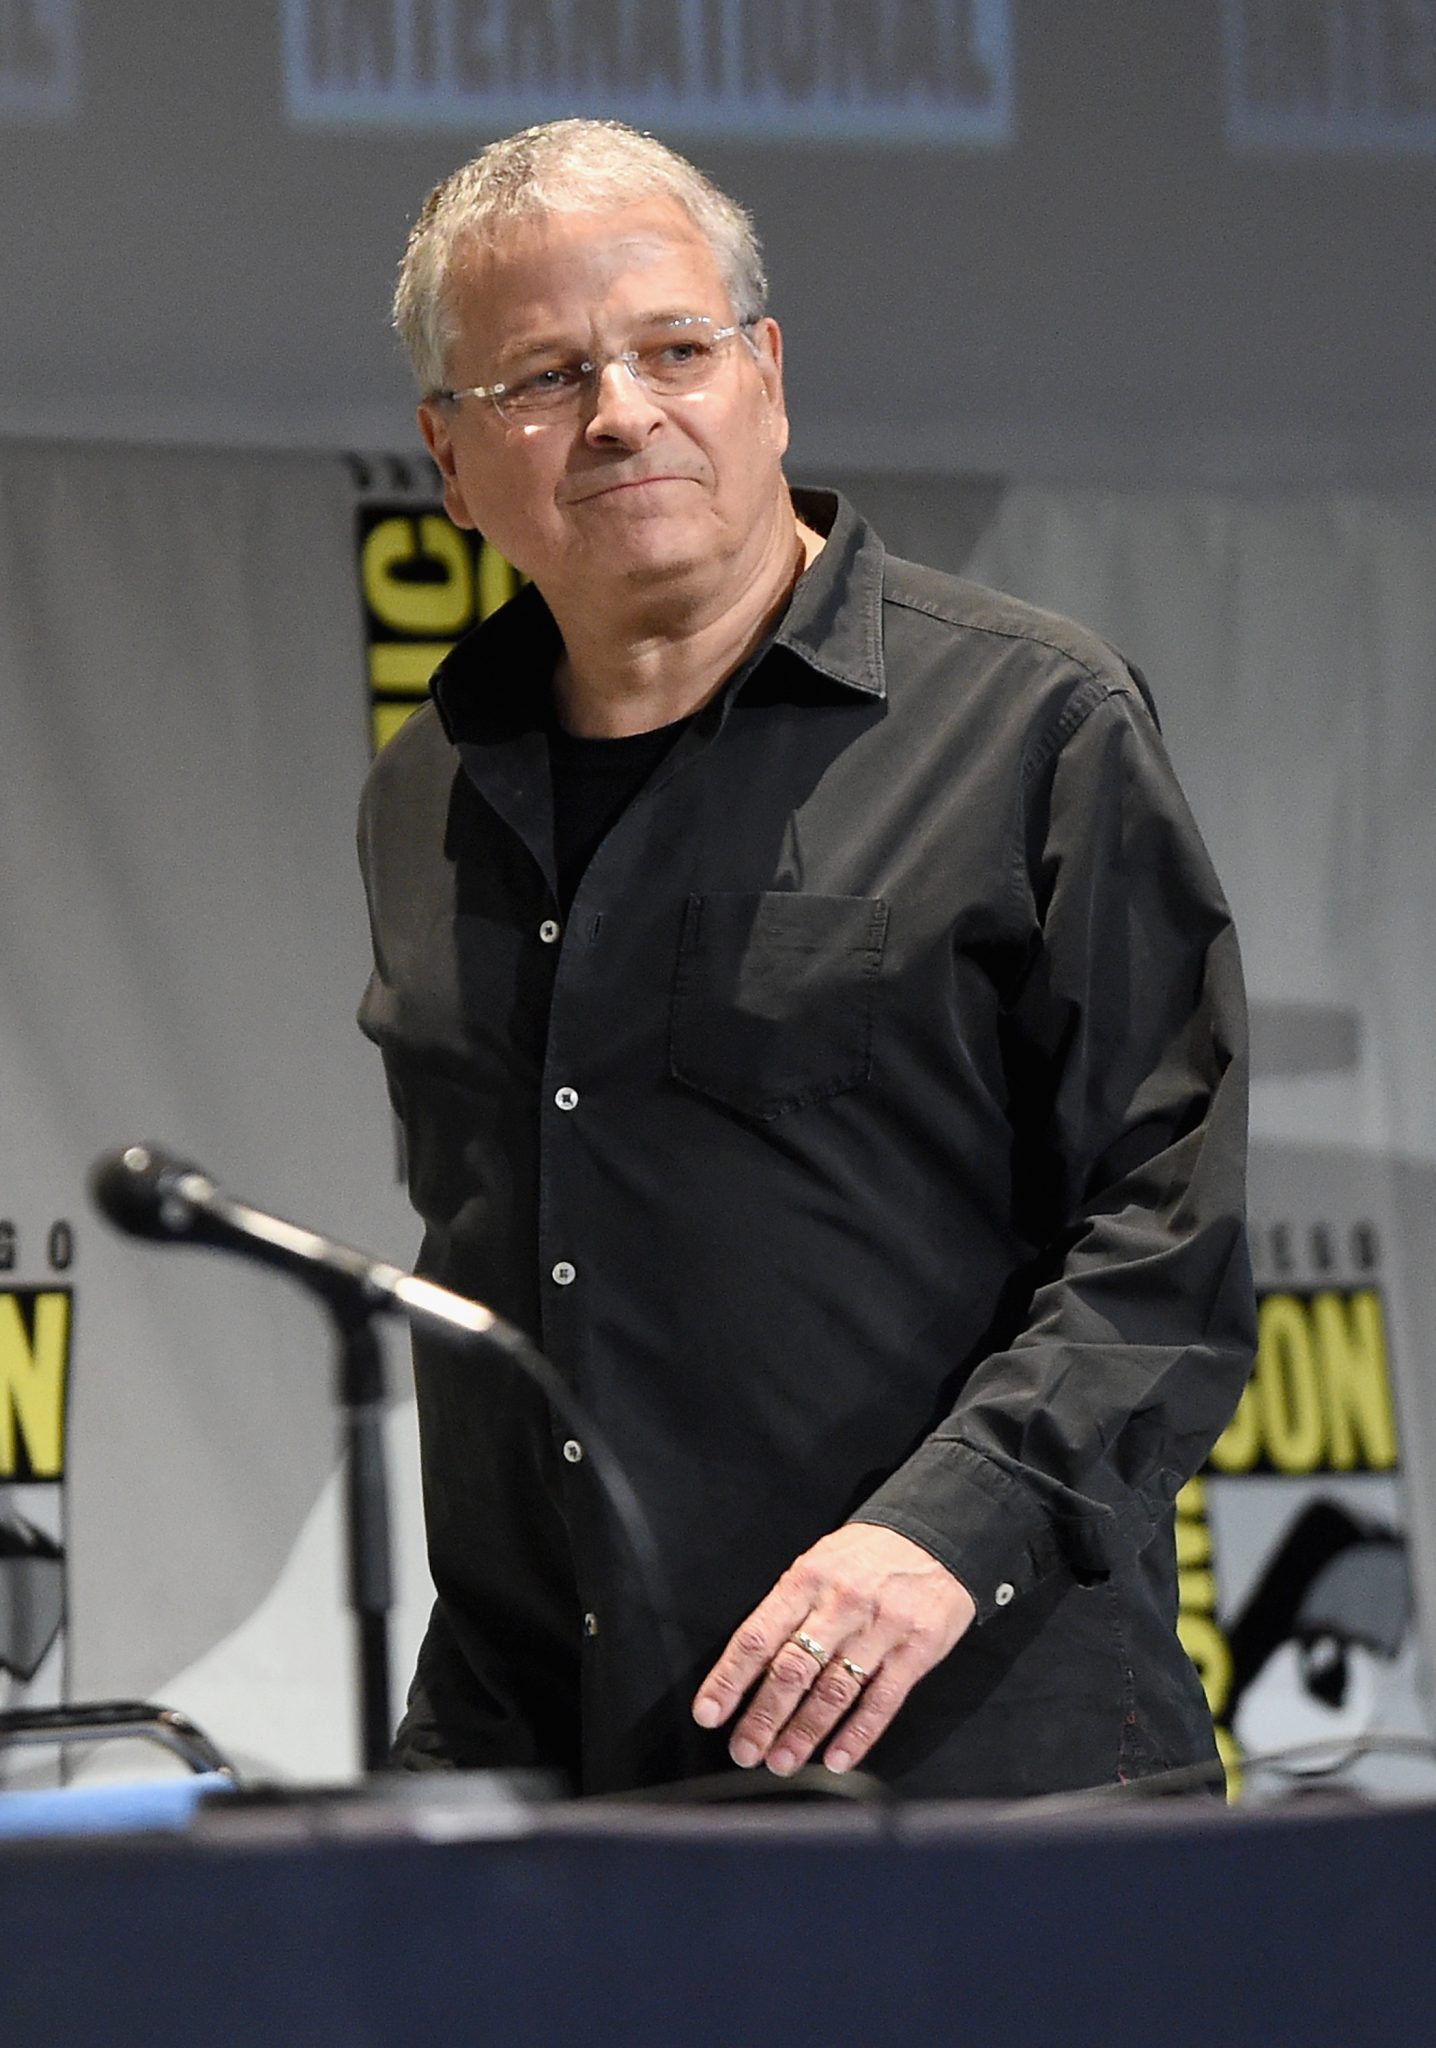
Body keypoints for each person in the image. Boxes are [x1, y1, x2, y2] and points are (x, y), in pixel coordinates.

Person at [357, 118, 1256, 1798]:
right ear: (450, 457)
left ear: (766, 378)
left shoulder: (1033, 723)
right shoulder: (429, 792)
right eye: (544, 377)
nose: (622, 413)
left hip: (990, 1782)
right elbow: (500, 1303)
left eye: (674, 350)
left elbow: (1166, 1244)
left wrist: (942, 1536)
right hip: (580, 1796)